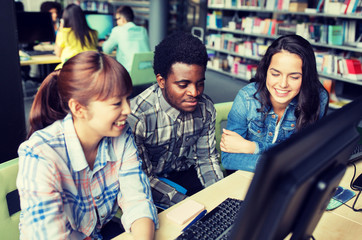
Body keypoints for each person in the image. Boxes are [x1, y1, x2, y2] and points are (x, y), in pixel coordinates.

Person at [16, 51, 158, 239]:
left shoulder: (121, 134)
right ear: (79, 108)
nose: (128, 110)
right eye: (117, 103)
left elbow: (138, 201)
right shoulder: (40, 155)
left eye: (127, 98)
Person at [127, 32, 224, 209]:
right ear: (161, 81)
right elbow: (143, 179)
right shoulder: (137, 117)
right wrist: (186, 204)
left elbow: (206, 159)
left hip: (183, 173)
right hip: (149, 184)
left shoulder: (206, 108)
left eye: (200, 83)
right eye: (183, 85)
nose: (194, 92)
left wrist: (219, 195)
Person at [221, 34, 329, 172]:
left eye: (294, 77)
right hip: (245, 179)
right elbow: (229, 159)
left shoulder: (318, 98)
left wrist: (252, 148)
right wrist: (286, 161)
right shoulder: (246, 98)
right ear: (266, 71)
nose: (283, 84)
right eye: (275, 74)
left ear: (306, 77)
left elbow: (308, 154)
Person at [102, 5, 150, 73]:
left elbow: (106, 50)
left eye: (117, 19)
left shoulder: (118, 30)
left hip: (129, 75)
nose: (116, 22)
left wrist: (105, 42)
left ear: (122, 19)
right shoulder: (143, 30)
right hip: (146, 74)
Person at [54, 4, 98, 70]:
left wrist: (60, 29)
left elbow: (58, 54)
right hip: (90, 69)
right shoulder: (94, 33)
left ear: (65, 18)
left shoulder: (63, 32)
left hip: (70, 69)